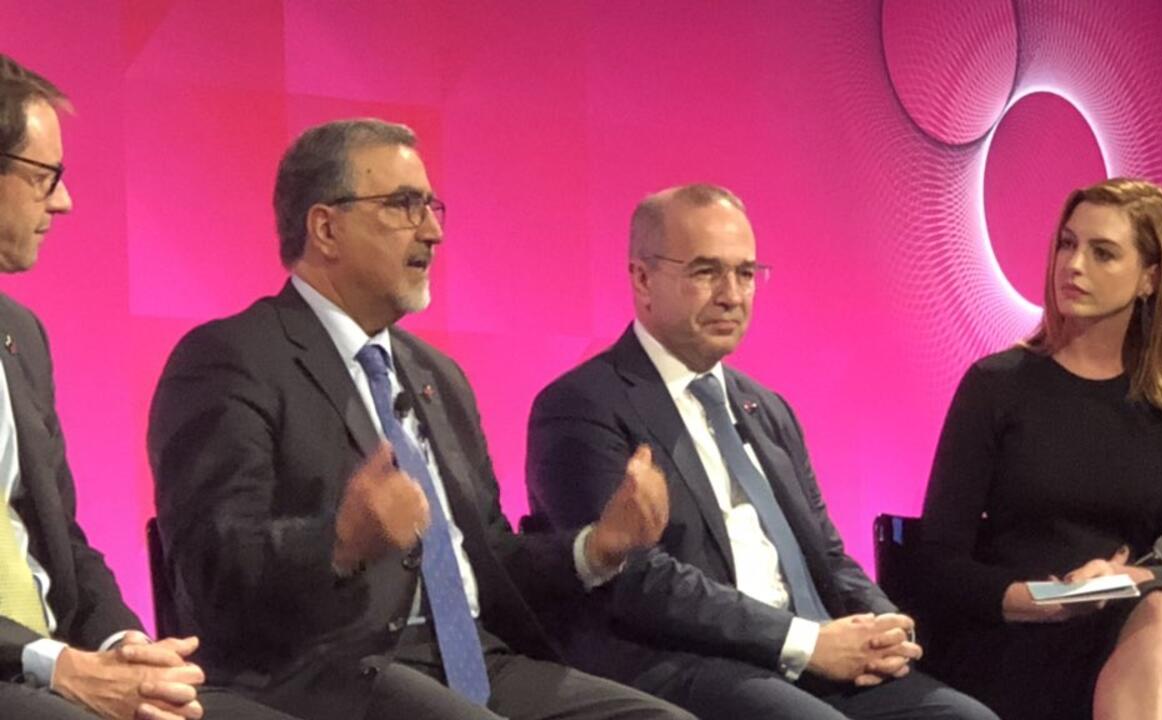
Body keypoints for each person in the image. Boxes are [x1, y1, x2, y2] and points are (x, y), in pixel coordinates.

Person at [146, 118, 692, 720]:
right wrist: (340, 540)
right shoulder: (232, 357)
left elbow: (489, 554)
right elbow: (208, 567)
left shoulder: (438, 376)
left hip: (478, 660)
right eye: (404, 206)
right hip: (331, 669)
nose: (432, 232)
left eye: (432, 207)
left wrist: (599, 546)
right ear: (326, 227)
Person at [524, 183, 996, 720]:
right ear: (642, 278)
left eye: (746, 273)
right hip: (685, 659)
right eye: (706, 272)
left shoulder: (766, 408)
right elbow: (634, 578)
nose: (731, 294)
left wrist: (883, 622)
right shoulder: (582, 404)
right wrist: (803, 642)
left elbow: (827, 551)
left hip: (808, 654)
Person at [0, 54, 300, 720]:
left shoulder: (21, 335)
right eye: (44, 176)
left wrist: (126, 645)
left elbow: (62, 540)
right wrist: (58, 665)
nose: (65, 201)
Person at [919, 178, 1162, 720]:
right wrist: (1029, 598)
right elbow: (939, 559)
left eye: (1102, 253)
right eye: (1066, 243)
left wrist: (1119, 580)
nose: (1073, 265)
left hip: (1125, 624)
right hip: (1014, 634)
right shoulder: (997, 386)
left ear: (1150, 278)